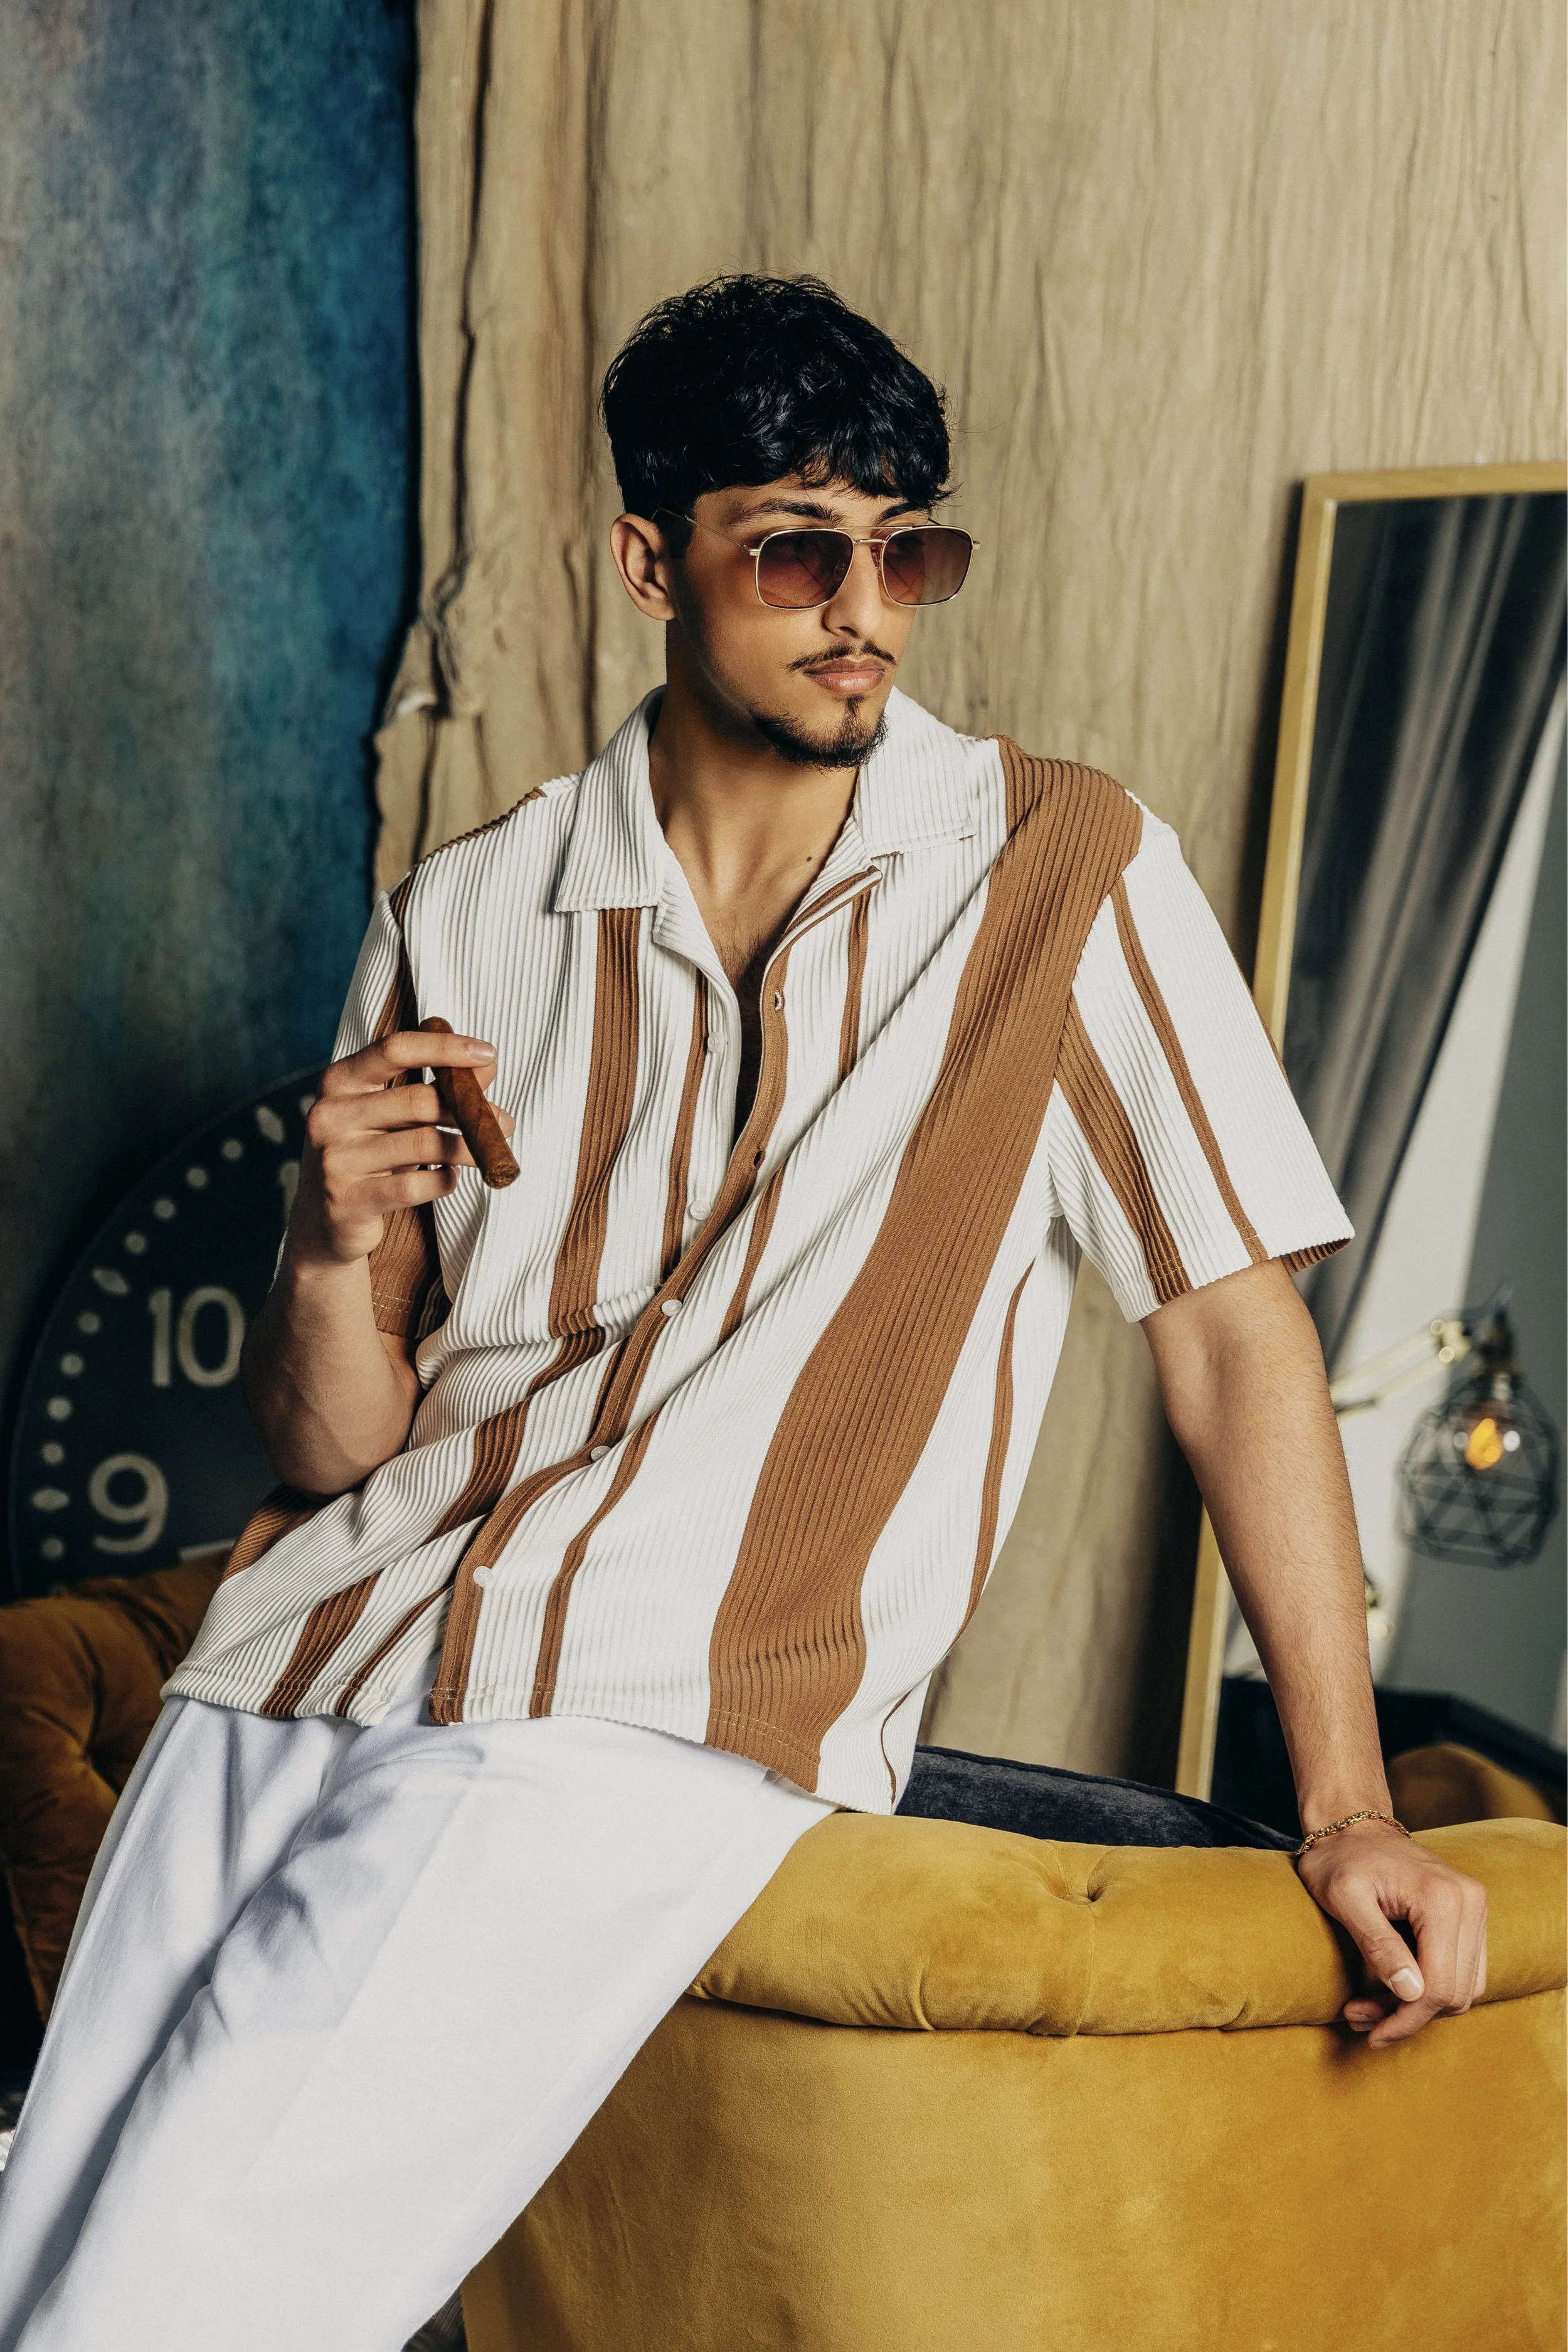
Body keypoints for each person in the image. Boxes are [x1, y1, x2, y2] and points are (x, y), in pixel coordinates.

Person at [0, 276, 1486, 2350]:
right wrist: (331, 1246)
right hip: (295, 1660)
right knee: (40, 2276)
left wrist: (1344, 1808)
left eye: (910, 549)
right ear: (648, 562)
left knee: (161, 2312)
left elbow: (1231, 1331)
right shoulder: (468, 906)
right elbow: (341, 1449)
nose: (862, 605)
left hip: (642, 1712)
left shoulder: (1060, 870)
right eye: (796, 545)